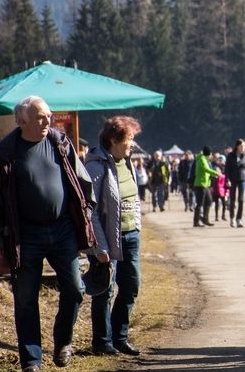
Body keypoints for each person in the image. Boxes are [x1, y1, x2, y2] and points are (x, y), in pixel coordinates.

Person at [0, 96, 96, 371]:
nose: (48, 121)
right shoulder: (5, 153)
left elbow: (81, 179)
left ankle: (62, 342)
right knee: (25, 299)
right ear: (22, 122)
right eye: (40, 117)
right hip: (25, 235)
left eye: (48, 115)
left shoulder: (60, 142)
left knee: (75, 288)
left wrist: (87, 209)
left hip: (62, 230)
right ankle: (31, 360)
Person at [85, 116, 144, 357]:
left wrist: (137, 225)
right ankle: (102, 342)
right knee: (104, 290)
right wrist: (99, 245)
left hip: (131, 236)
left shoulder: (126, 162)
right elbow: (90, 210)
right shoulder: (96, 166)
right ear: (113, 140)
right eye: (129, 139)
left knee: (131, 286)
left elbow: (132, 198)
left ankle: (120, 337)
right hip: (107, 241)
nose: (132, 144)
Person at [225, 139, 245, 228]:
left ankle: (239, 219)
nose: (243, 147)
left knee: (241, 200)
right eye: (241, 146)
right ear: (237, 146)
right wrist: (227, 180)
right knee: (232, 199)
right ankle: (232, 218)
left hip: (242, 178)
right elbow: (227, 169)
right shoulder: (231, 155)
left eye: (244, 146)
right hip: (233, 179)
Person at [192, 146, 219, 227]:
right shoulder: (202, 159)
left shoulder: (204, 159)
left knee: (209, 201)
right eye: (211, 154)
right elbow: (206, 169)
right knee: (200, 203)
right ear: (209, 153)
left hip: (205, 184)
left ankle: (205, 219)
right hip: (200, 184)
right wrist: (216, 173)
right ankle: (196, 221)